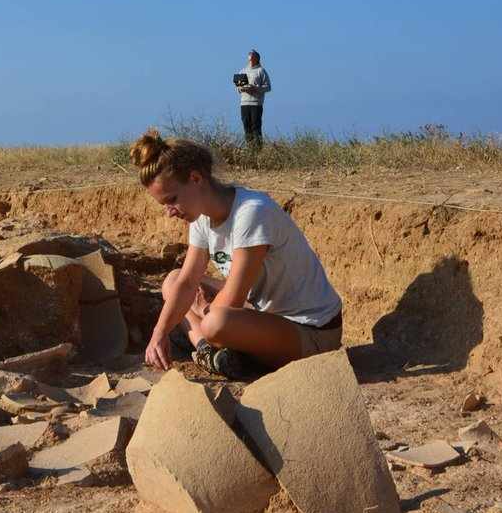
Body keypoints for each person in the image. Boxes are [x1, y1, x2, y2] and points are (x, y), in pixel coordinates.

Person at [130, 129, 343, 380]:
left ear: (196, 178)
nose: (170, 212)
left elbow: (233, 298)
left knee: (215, 323)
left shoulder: (251, 212)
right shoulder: (201, 219)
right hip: (267, 317)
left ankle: (211, 344)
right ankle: (210, 353)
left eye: (172, 200)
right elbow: (187, 282)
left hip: (311, 333)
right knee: (174, 281)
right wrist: (159, 333)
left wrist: (203, 312)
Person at [237, 49, 271, 147]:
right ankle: (250, 149)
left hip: (256, 103)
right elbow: (238, 88)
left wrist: (255, 88)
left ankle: (258, 150)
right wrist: (242, 88)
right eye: (249, 57)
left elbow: (268, 87)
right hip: (244, 103)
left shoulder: (261, 71)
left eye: (252, 57)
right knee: (246, 127)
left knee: (256, 127)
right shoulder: (242, 71)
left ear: (257, 59)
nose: (250, 59)